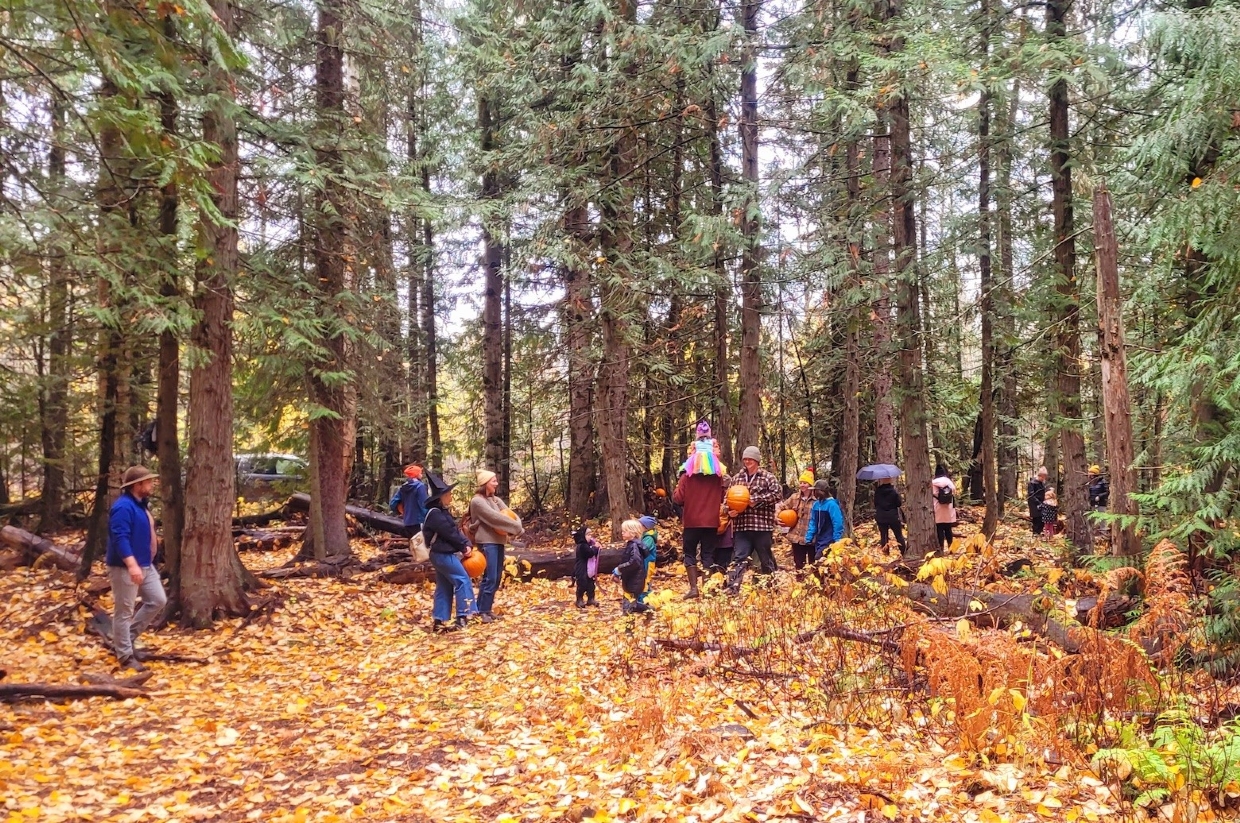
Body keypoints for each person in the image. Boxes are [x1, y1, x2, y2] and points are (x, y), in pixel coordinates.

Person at [107, 466, 167, 672]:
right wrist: (131, 565)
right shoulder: (123, 507)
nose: (152, 485)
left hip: (145, 564)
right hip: (126, 567)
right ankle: (124, 655)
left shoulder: (140, 505)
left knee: (158, 600)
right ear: (137, 485)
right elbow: (120, 537)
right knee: (124, 610)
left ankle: (126, 640)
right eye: (148, 482)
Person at [672, 421, 726, 599]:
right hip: (711, 522)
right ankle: (708, 590)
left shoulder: (686, 476)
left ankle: (694, 588)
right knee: (708, 554)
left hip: (692, 521)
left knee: (689, 553)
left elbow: (678, 498)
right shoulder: (718, 477)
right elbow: (722, 497)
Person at [468, 470, 524, 623]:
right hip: (487, 542)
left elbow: (510, 514)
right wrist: (517, 528)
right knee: (490, 577)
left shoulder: (495, 500)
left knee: (497, 577)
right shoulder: (477, 501)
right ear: (485, 483)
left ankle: (485, 609)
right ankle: (482, 611)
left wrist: (517, 525)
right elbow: (496, 518)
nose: (496, 483)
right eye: (493, 481)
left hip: (498, 541)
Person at [423, 475, 477, 632]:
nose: (451, 496)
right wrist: (464, 546)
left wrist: (464, 544)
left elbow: (452, 531)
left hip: (440, 554)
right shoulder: (435, 514)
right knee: (462, 580)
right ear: (441, 497)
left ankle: (438, 622)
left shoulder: (440, 512)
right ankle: (462, 618)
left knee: (444, 586)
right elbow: (450, 533)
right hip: (442, 555)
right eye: (449, 494)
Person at [725, 446, 782, 593]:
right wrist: (729, 511)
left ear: (757, 460)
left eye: (750, 458)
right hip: (742, 527)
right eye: (745, 459)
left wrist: (755, 500)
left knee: (765, 557)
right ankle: (732, 588)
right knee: (739, 557)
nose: (747, 461)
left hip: (762, 526)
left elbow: (777, 494)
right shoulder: (737, 478)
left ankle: (771, 587)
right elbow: (727, 500)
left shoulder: (767, 477)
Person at [777, 471, 816, 570]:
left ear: (810, 485)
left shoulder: (817, 499)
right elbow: (782, 507)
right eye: (801, 482)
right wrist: (777, 516)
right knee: (799, 563)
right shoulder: (795, 497)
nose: (802, 485)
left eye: (805, 483)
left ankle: (814, 584)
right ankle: (799, 582)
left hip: (812, 537)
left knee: (814, 563)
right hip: (796, 537)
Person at [613, 520, 651, 614]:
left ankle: (629, 627)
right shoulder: (631, 545)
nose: (622, 532)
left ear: (633, 533)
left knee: (628, 606)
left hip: (634, 582)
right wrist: (618, 574)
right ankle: (648, 610)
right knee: (632, 604)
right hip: (631, 580)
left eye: (625, 531)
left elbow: (634, 562)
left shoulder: (634, 546)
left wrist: (619, 569)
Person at [805, 479, 845, 562]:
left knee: (820, 559)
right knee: (815, 561)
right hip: (819, 539)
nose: (813, 493)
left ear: (820, 491)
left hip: (829, 539)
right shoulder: (816, 504)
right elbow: (813, 522)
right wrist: (809, 537)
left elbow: (837, 523)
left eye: (815, 491)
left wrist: (837, 539)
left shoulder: (832, 505)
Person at [389, 464, 428, 535]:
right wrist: (428, 517)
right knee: (421, 544)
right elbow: (423, 505)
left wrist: (401, 511)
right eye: (420, 472)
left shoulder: (403, 487)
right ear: (416, 474)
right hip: (419, 522)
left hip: (407, 522)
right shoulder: (420, 486)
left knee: (412, 544)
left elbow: (392, 503)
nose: (421, 474)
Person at [873, 478, 907, 555]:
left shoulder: (878, 492)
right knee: (899, 535)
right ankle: (904, 552)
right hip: (893, 517)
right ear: (890, 481)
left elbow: (875, 503)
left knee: (884, 536)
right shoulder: (894, 492)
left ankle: (885, 554)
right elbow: (899, 504)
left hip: (881, 517)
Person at [572, 523, 600, 609]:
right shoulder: (582, 546)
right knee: (582, 584)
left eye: (590, 534)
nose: (590, 537)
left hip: (589, 569)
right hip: (582, 569)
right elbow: (590, 553)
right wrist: (595, 548)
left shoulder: (588, 544)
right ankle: (579, 599)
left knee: (590, 584)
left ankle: (591, 598)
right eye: (588, 535)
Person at [931, 465, 957, 550]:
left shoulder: (933, 482)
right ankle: (951, 547)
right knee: (948, 529)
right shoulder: (948, 481)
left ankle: (941, 547)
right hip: (948, 507)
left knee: (939, 528)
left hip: (937, 507)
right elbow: (954, 490)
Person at [638, 515, 658, 603]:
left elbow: (643, 548)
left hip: (648, 563)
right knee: (643, 580)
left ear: (645, 527)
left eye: (640, 525)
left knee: (646, 581)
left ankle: (646, 600)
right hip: (644, 563)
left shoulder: (649, 538)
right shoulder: (645, 536)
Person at [1027, 466, 1049, 536]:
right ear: (1039, 475)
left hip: (1041, 503)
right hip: (1034, 504)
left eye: (1045, 477)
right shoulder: (1032, 483)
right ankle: (1035, 534)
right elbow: (1031, 495)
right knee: (1036, 519)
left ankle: (1039, 533)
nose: (1044, 479)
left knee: (1042, 519)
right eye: (1043, 477)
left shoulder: (1041, 483)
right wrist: (1038, 502)